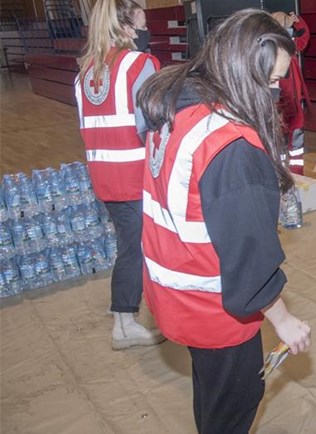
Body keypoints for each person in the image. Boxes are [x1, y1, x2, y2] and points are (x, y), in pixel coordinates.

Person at [137, 10, 311, 434]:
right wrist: (283, 319)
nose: (275, 93)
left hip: (174, 287)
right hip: (211, 304)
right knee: (234, 404)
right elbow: (249, 258)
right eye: (270, 82)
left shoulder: (181, 106)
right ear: (240, 74)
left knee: (212, 392)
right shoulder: (232, 148)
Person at [75, 0, 163, 350]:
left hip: (105, 178)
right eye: (142, 22)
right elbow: (152, 123)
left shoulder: (85, 72)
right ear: (127, 27)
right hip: (137, 176)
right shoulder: (138, 64)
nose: (145, 31)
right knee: (136, 248)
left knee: (131, 244)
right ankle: (123, 323)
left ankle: (133, 315)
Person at [271, 11, 310, 175]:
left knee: (296, 146)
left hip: (295, 107)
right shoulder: (269, 50)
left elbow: (304, 38)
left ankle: (297, 175)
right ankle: (280, 175)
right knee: (278, 144)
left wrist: (298, 21)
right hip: (278, 106)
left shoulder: (289, 46)